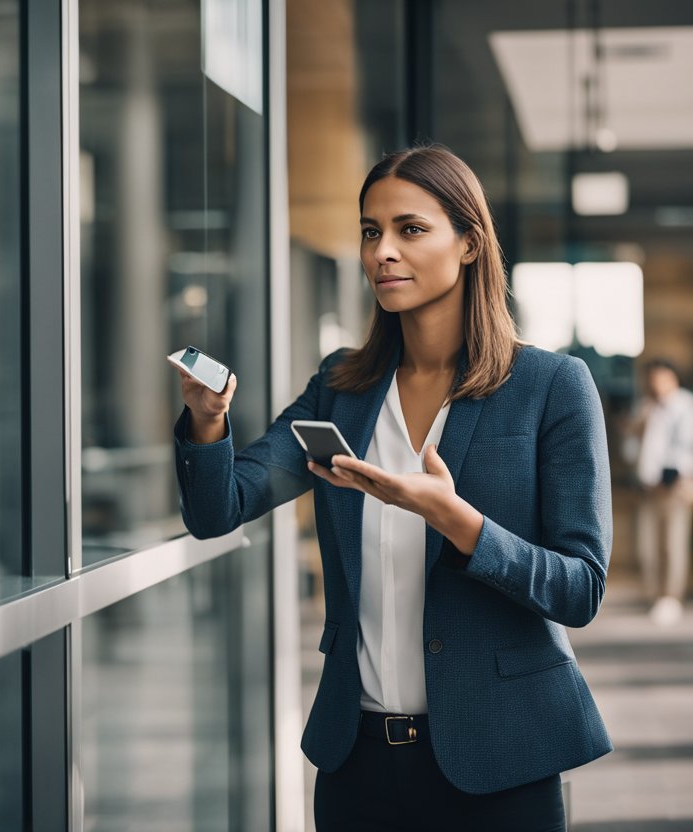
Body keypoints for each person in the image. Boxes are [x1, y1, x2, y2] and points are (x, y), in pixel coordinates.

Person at [173, 145, 611, 831]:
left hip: (501, 768)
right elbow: (219, 508)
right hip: (359, 770)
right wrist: (208, 421)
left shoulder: (551, 387)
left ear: (469, 243)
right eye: (370, 231)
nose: (383, 252)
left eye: (410, 229)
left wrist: (460, 523)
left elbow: (580, 589)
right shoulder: (341, 386)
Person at [632, 358, 693, 626]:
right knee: (648, 544)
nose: (654, 384)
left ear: (671, 378)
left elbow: (685, 448)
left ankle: (671, 597)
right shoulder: (649, 407)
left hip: (673, 486)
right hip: (649, 487)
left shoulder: (685, 406)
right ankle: (654, 595)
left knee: (672, 543)